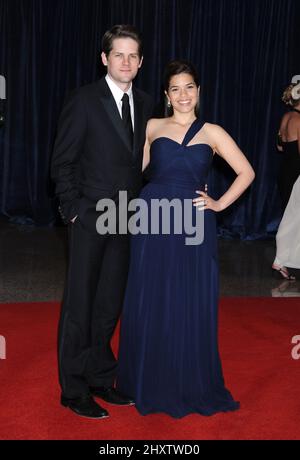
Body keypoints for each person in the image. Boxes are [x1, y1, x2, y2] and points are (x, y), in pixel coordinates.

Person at [116, 60, 255, 418]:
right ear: (166, 95)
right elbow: (134, 172)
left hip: (194, 223)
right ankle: (146, 378)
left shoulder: (213, 132)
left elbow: (246, 171)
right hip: (153, 218)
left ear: (198, 91)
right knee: (151, 295)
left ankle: (187, 379)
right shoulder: (151, 126)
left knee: (188, 296)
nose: (183, 95)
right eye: (175, 88)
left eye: (189, 87)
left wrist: (219, 203)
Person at [51, 25, 153, 419]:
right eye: (118, 55)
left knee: (109, 305)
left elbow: (142, 160)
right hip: (90, 217)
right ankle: (73, 389)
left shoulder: (145, 103)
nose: (125, 62)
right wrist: (74, 210)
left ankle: (99, 378)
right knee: (80, 305)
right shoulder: (84, 100)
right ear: (105, 59)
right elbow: (62, 162)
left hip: (126, 220)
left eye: (133, 56)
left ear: (141, 62)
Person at [273, 82, 300, 280]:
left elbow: (280, 146)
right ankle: (283, 259)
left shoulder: (286, 117)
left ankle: (284, 260)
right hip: (297, 172)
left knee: (289, 216)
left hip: (285, 171)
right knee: (293, 218)